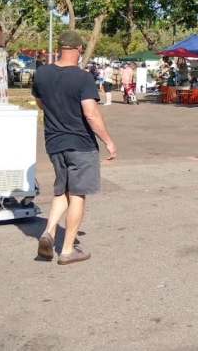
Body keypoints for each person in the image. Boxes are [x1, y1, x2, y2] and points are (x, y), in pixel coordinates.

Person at [31, 30, 117, 265]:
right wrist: (108, 141)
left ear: (59, 48)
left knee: (62, 190)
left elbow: (40, 103)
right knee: (77, 194)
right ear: (79, 49)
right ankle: (67, 250)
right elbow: (91, 114)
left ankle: (48, 231)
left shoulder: (42, 73)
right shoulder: (83, 78)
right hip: (80, 144)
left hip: (54, 143)